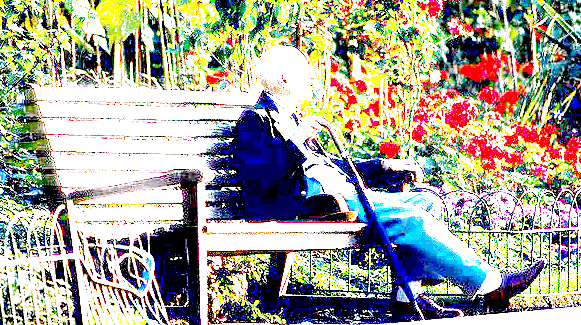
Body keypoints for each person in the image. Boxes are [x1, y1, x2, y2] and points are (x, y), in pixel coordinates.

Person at [231, 45, 545, 319]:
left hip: (335, 191)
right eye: (305, 73)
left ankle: (407, 299)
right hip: (312, 203)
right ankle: (491, 285)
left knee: (426, 201)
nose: (311, 79)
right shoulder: (255, 120)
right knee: (413, 220)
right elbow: (259, 180)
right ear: (285, 79)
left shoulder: (292, 117)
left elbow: (330, 166)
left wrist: (382, 166)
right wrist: (295, 142)